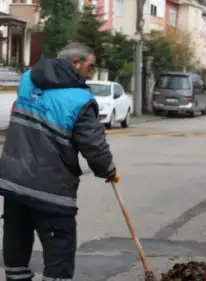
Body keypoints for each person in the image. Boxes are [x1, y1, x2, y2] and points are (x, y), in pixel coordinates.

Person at [0, 42, 120, 281]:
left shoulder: (27, 80)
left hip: (14, 184)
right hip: (52, 191)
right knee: (59, 253)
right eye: (90, 67)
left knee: (16, 245)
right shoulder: (80, 99)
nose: (91, 74)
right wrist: (107, 170)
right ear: (75, 64)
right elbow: (93, 145)